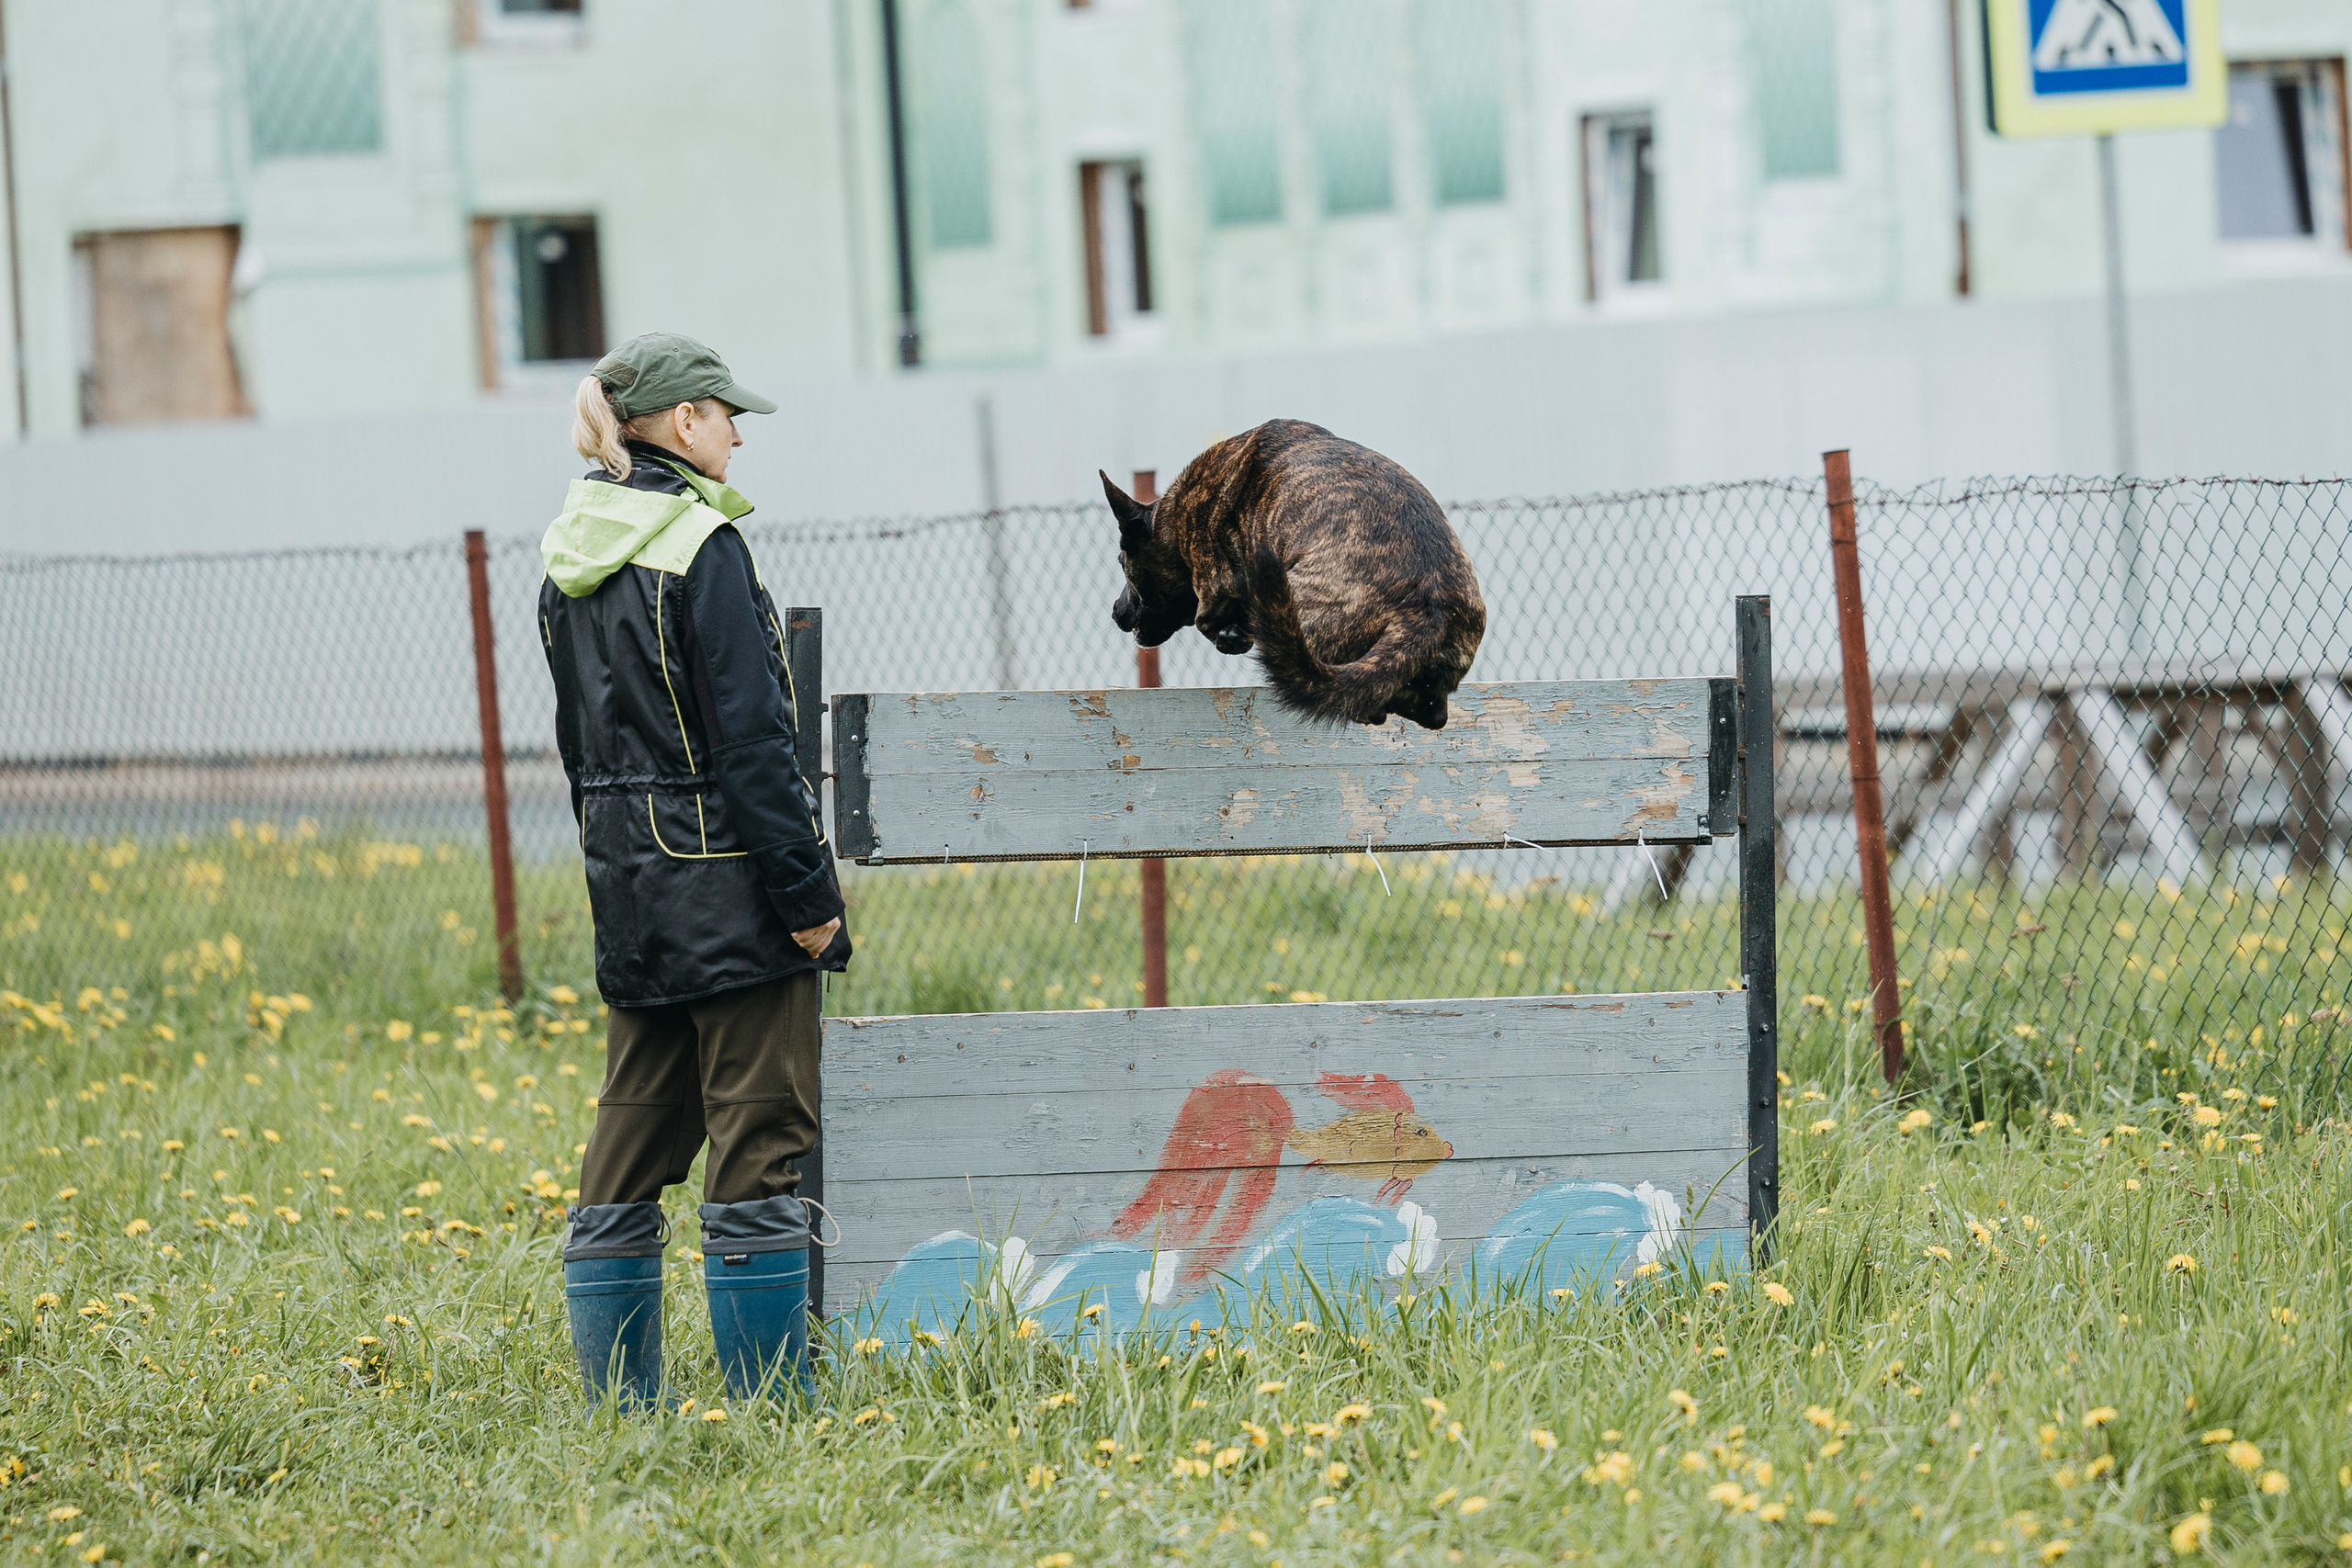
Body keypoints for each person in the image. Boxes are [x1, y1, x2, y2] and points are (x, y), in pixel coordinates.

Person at [538, 332, 848, 1409]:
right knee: (760, 1136)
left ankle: (619, 1409)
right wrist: (808, 902)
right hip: (729, 885)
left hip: (628, 887)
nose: (737, 430)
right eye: (725, 413)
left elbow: (582, 747)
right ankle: (773, 1408)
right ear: (680, 424)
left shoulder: (571, 547)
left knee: (629, 1137)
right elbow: (755, 746)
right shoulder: (698, 544)